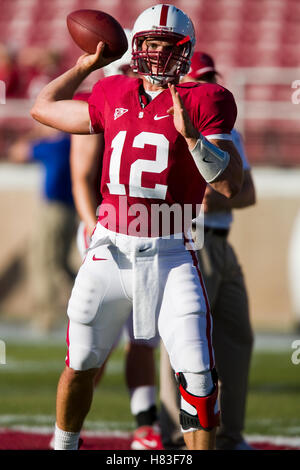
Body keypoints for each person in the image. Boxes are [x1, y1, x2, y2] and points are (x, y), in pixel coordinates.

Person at [31, 3, 243, 450]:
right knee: (81, 363)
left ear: (185, 52)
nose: (158, 55)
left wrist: (193, 140)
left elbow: (229, 184)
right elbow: (43, 108)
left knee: (199, 375)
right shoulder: (111, 91)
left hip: (171, 250)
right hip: (110, 248)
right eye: (150, 44)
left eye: (168, 46)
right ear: (137, 47)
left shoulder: (208, 99)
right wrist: (86, 64)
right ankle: (63, 444)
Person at [159, 51, 256, 450]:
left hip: (222, 243)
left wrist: (217, 188)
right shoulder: (169, 125)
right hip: (188, 238)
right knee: (184, 344)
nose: (212, 86)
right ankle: (175, 436)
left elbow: (244, 193)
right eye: (205, 79)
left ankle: (230, 435)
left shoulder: (227, 130)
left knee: (237, 339)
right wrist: (217, 186)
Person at [71, 88, 162, 450]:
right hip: (108, 230)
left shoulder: (163, 101)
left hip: (151, 232)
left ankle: (146, 424)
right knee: (95, 339)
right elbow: (82, 174)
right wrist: (93, 224)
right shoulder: (101, 100)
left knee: (142, 336)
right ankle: (68, 430)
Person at [8, 125, 77, 331]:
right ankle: (89, 301)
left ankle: (46, 315)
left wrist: (34, 133)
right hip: (70, 212)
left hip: (53, 211)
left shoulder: (54, 146)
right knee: (61, 264)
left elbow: (17, 153)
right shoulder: (71, 144)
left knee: (44, 262)